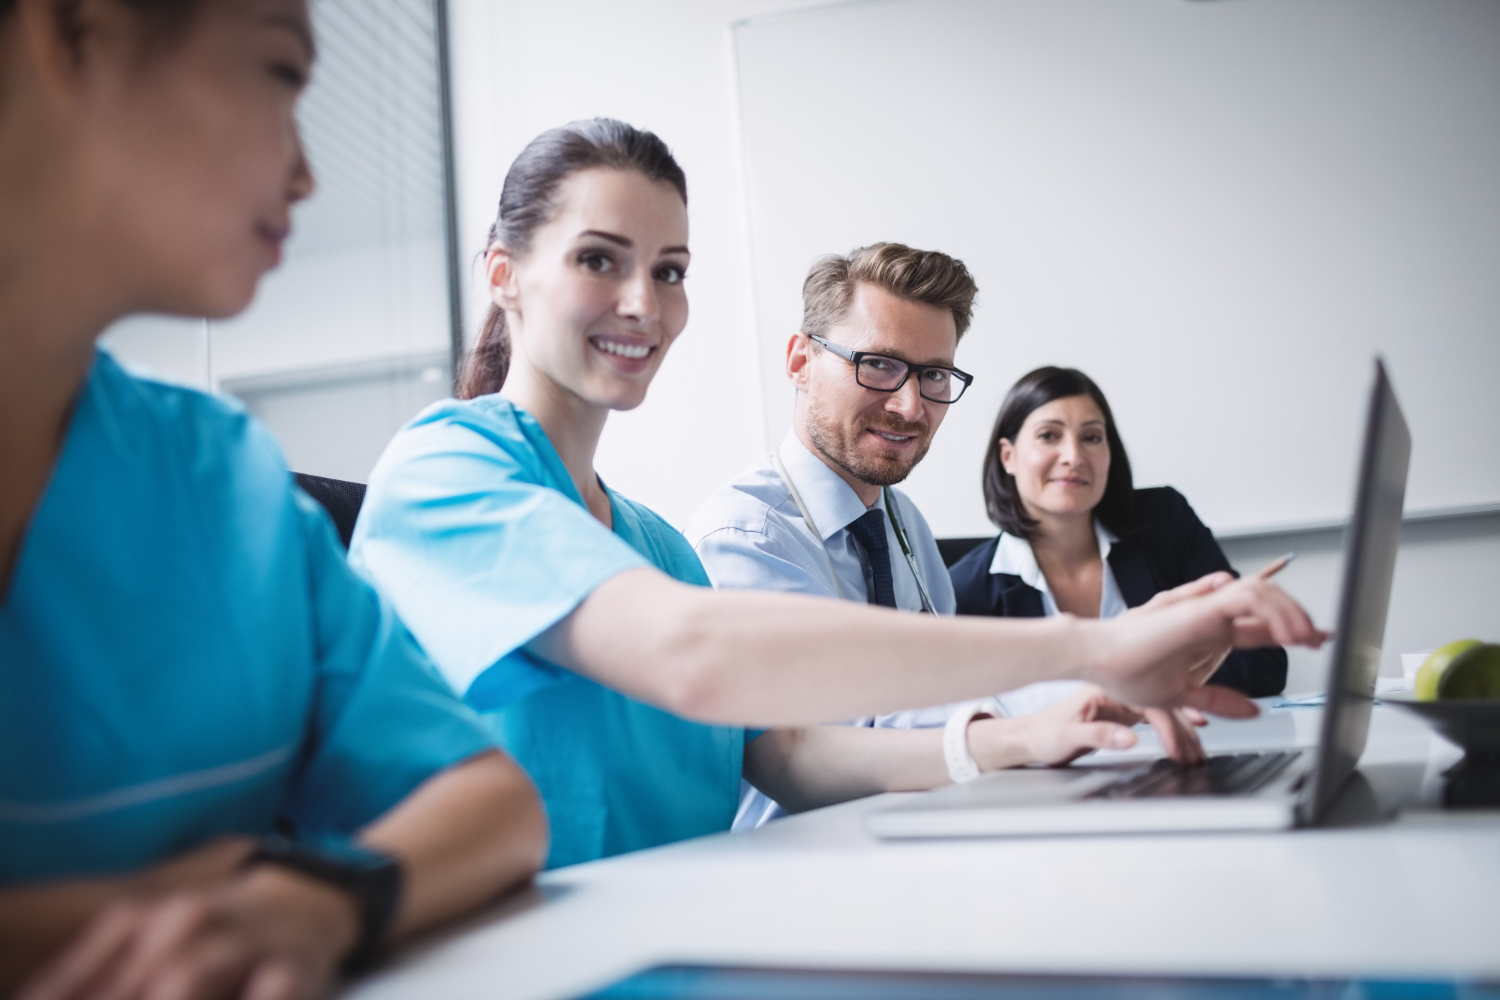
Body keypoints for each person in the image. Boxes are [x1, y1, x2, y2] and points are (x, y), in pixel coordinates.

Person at [349, 117, 1325, 872]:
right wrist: (1100, 645)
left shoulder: (653, 545)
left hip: (697, 929)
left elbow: (789, 756)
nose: (646, 302)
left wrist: (1027, 735)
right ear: (504, 275)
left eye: (672, 269)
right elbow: (695, 659)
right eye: (599, 259)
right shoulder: (446, 470)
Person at [0, 1, 546, 996]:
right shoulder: (448, 462)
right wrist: (208, 884)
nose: (306, 175)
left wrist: (315, 893)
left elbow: (493, 803)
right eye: (279, 74)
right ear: (74, 31)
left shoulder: (224, 484)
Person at [688, 244, 1222, 829]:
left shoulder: (906, 523)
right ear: (800, 362)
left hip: (920, 830)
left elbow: (931, 701)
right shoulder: (747, 535)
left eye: (934, 374)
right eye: (879, 364)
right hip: (801, 862)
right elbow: (840, 741)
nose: (909, 405)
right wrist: (1094, 671)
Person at [948, 366, 1289, 707]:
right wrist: (1130, 676)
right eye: (1049, 436)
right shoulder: (966, 590)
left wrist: (1150, 670)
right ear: (1008, 456)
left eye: (1092, 437)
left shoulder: (1165, 521)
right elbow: (973, 710)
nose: (1074, 457)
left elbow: (1263, 662)